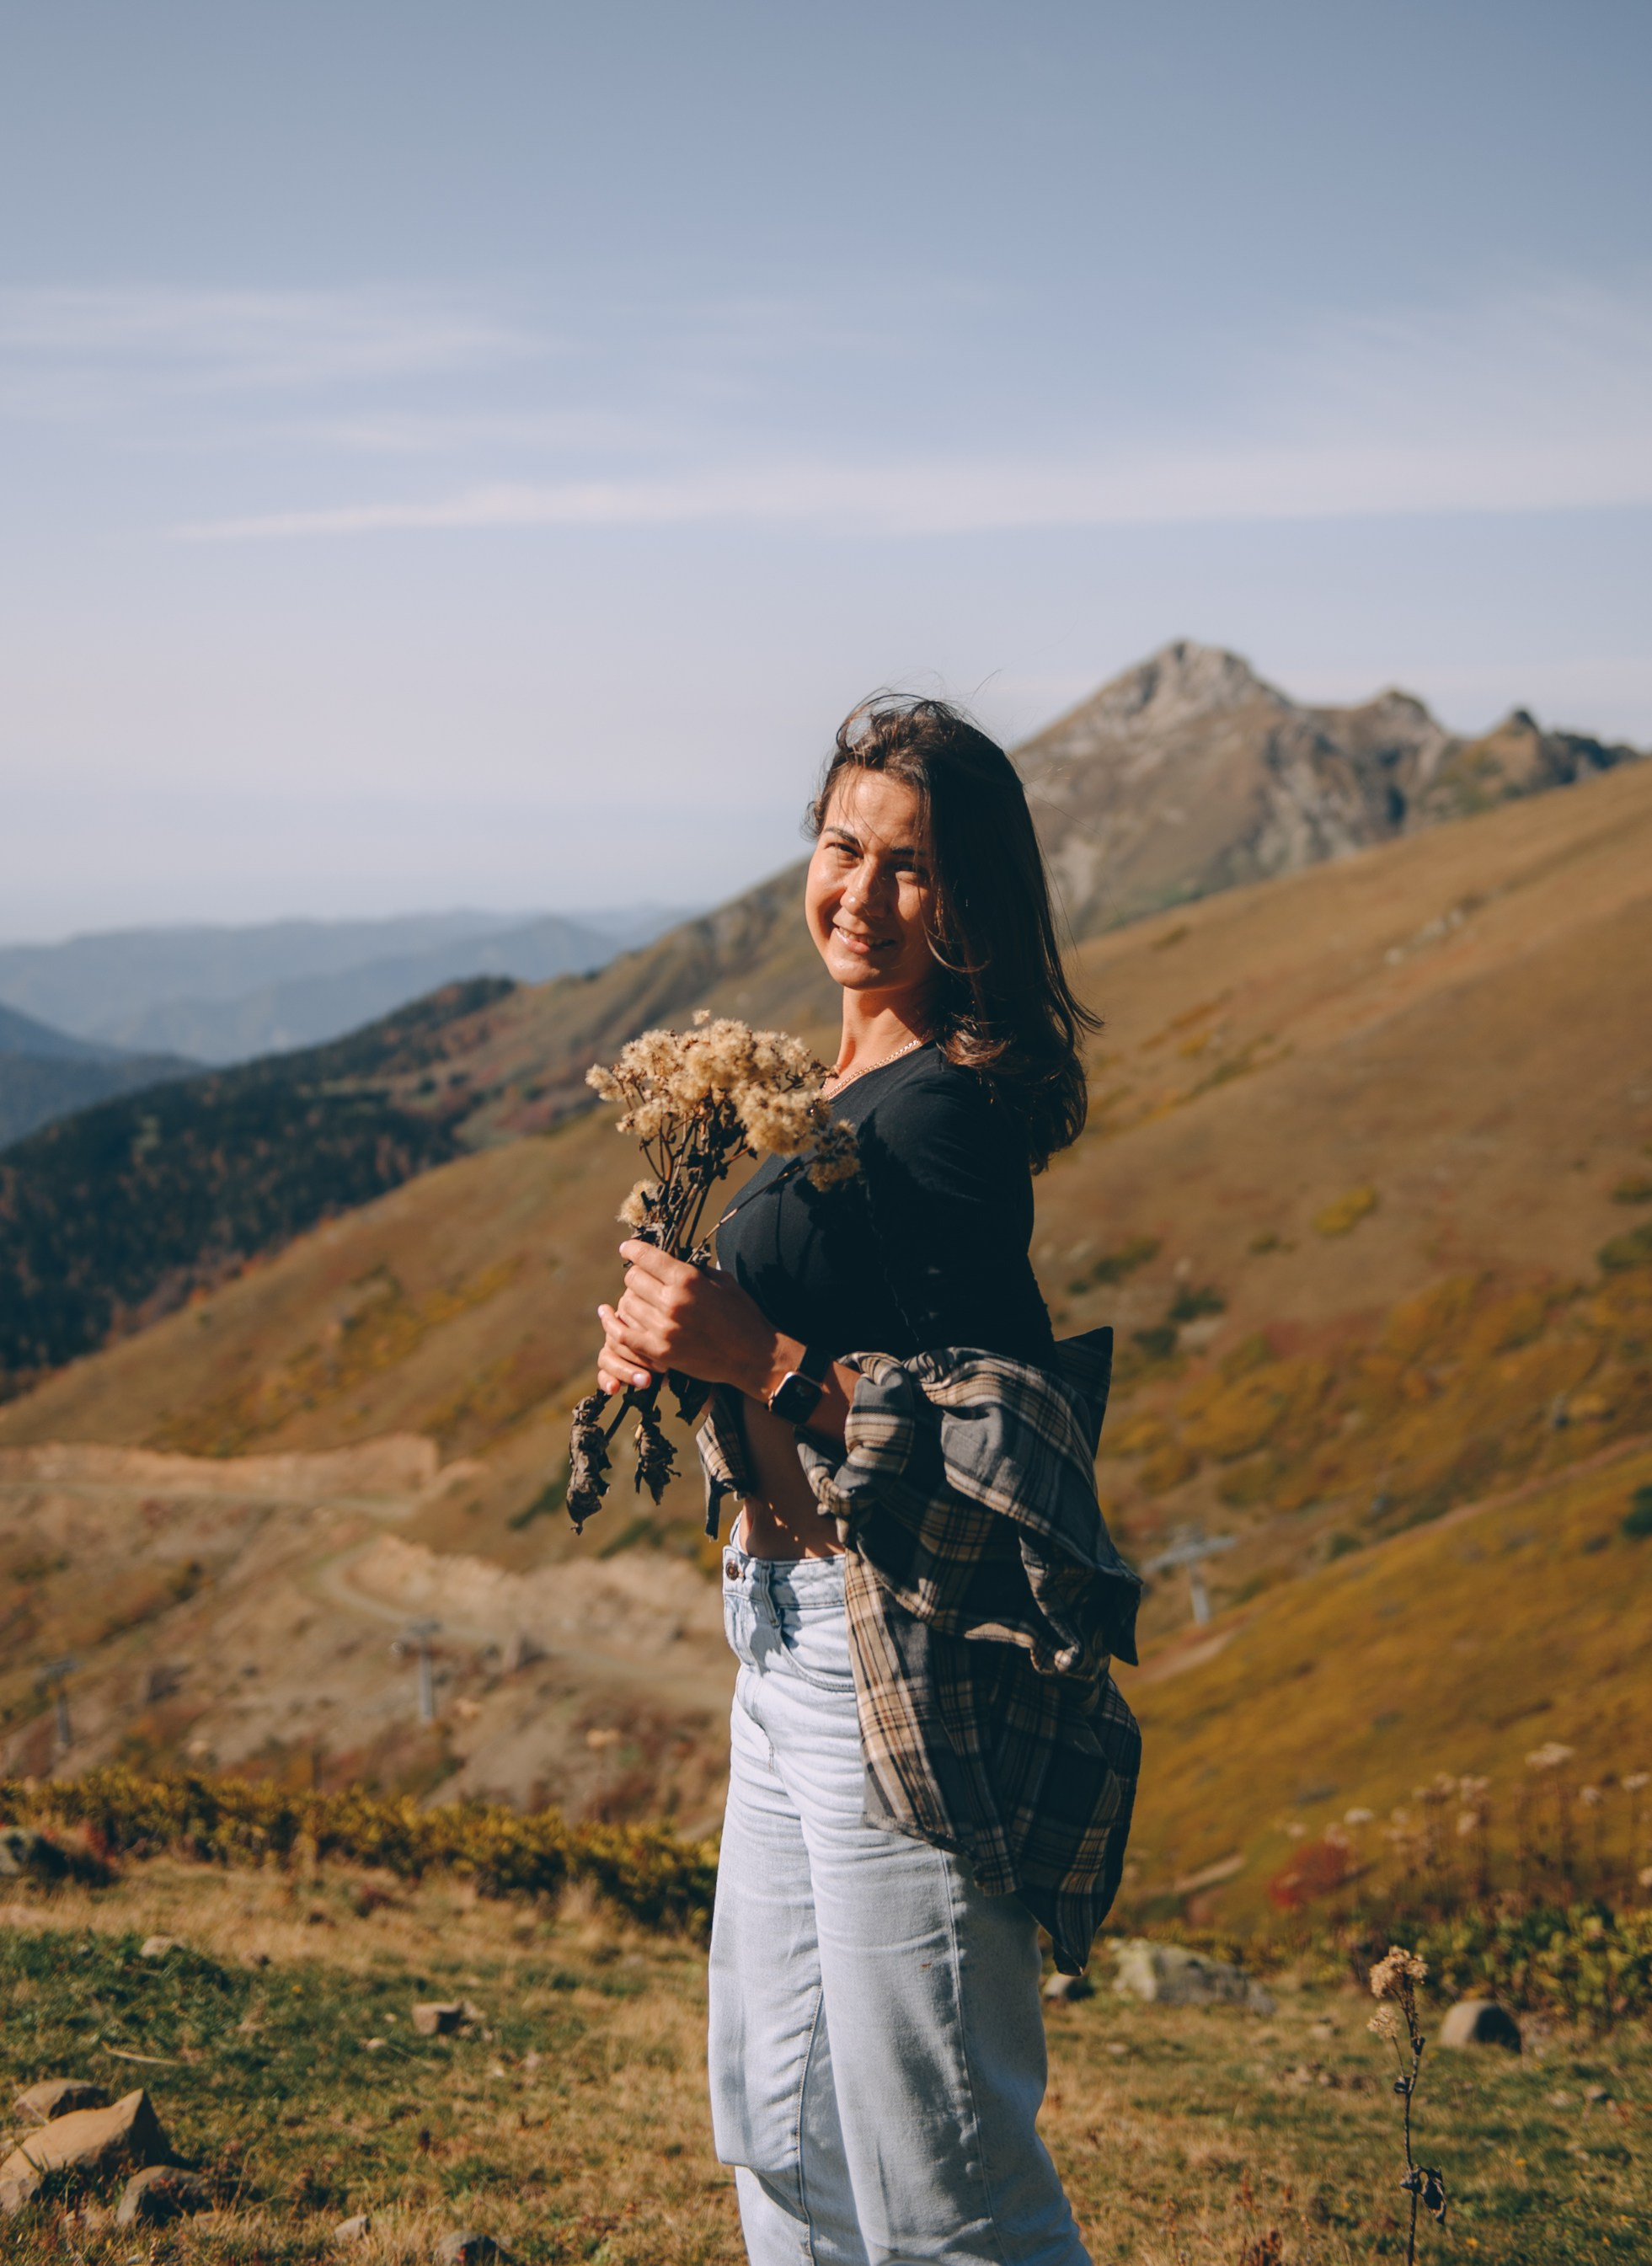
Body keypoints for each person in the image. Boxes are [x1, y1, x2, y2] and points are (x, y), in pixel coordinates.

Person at [595, 697, 1142, 2266]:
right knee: (776, 2119)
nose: (863, 893)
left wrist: (761, 1358)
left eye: (911, 868)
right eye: (842, 848)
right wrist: (672, 1339)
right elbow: (807, 1326)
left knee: (937, 2162)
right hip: (772, 1632)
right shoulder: (826, 1096)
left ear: (973, 902)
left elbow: (993, 1436)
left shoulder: (948, 1116)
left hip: (878, 1648)